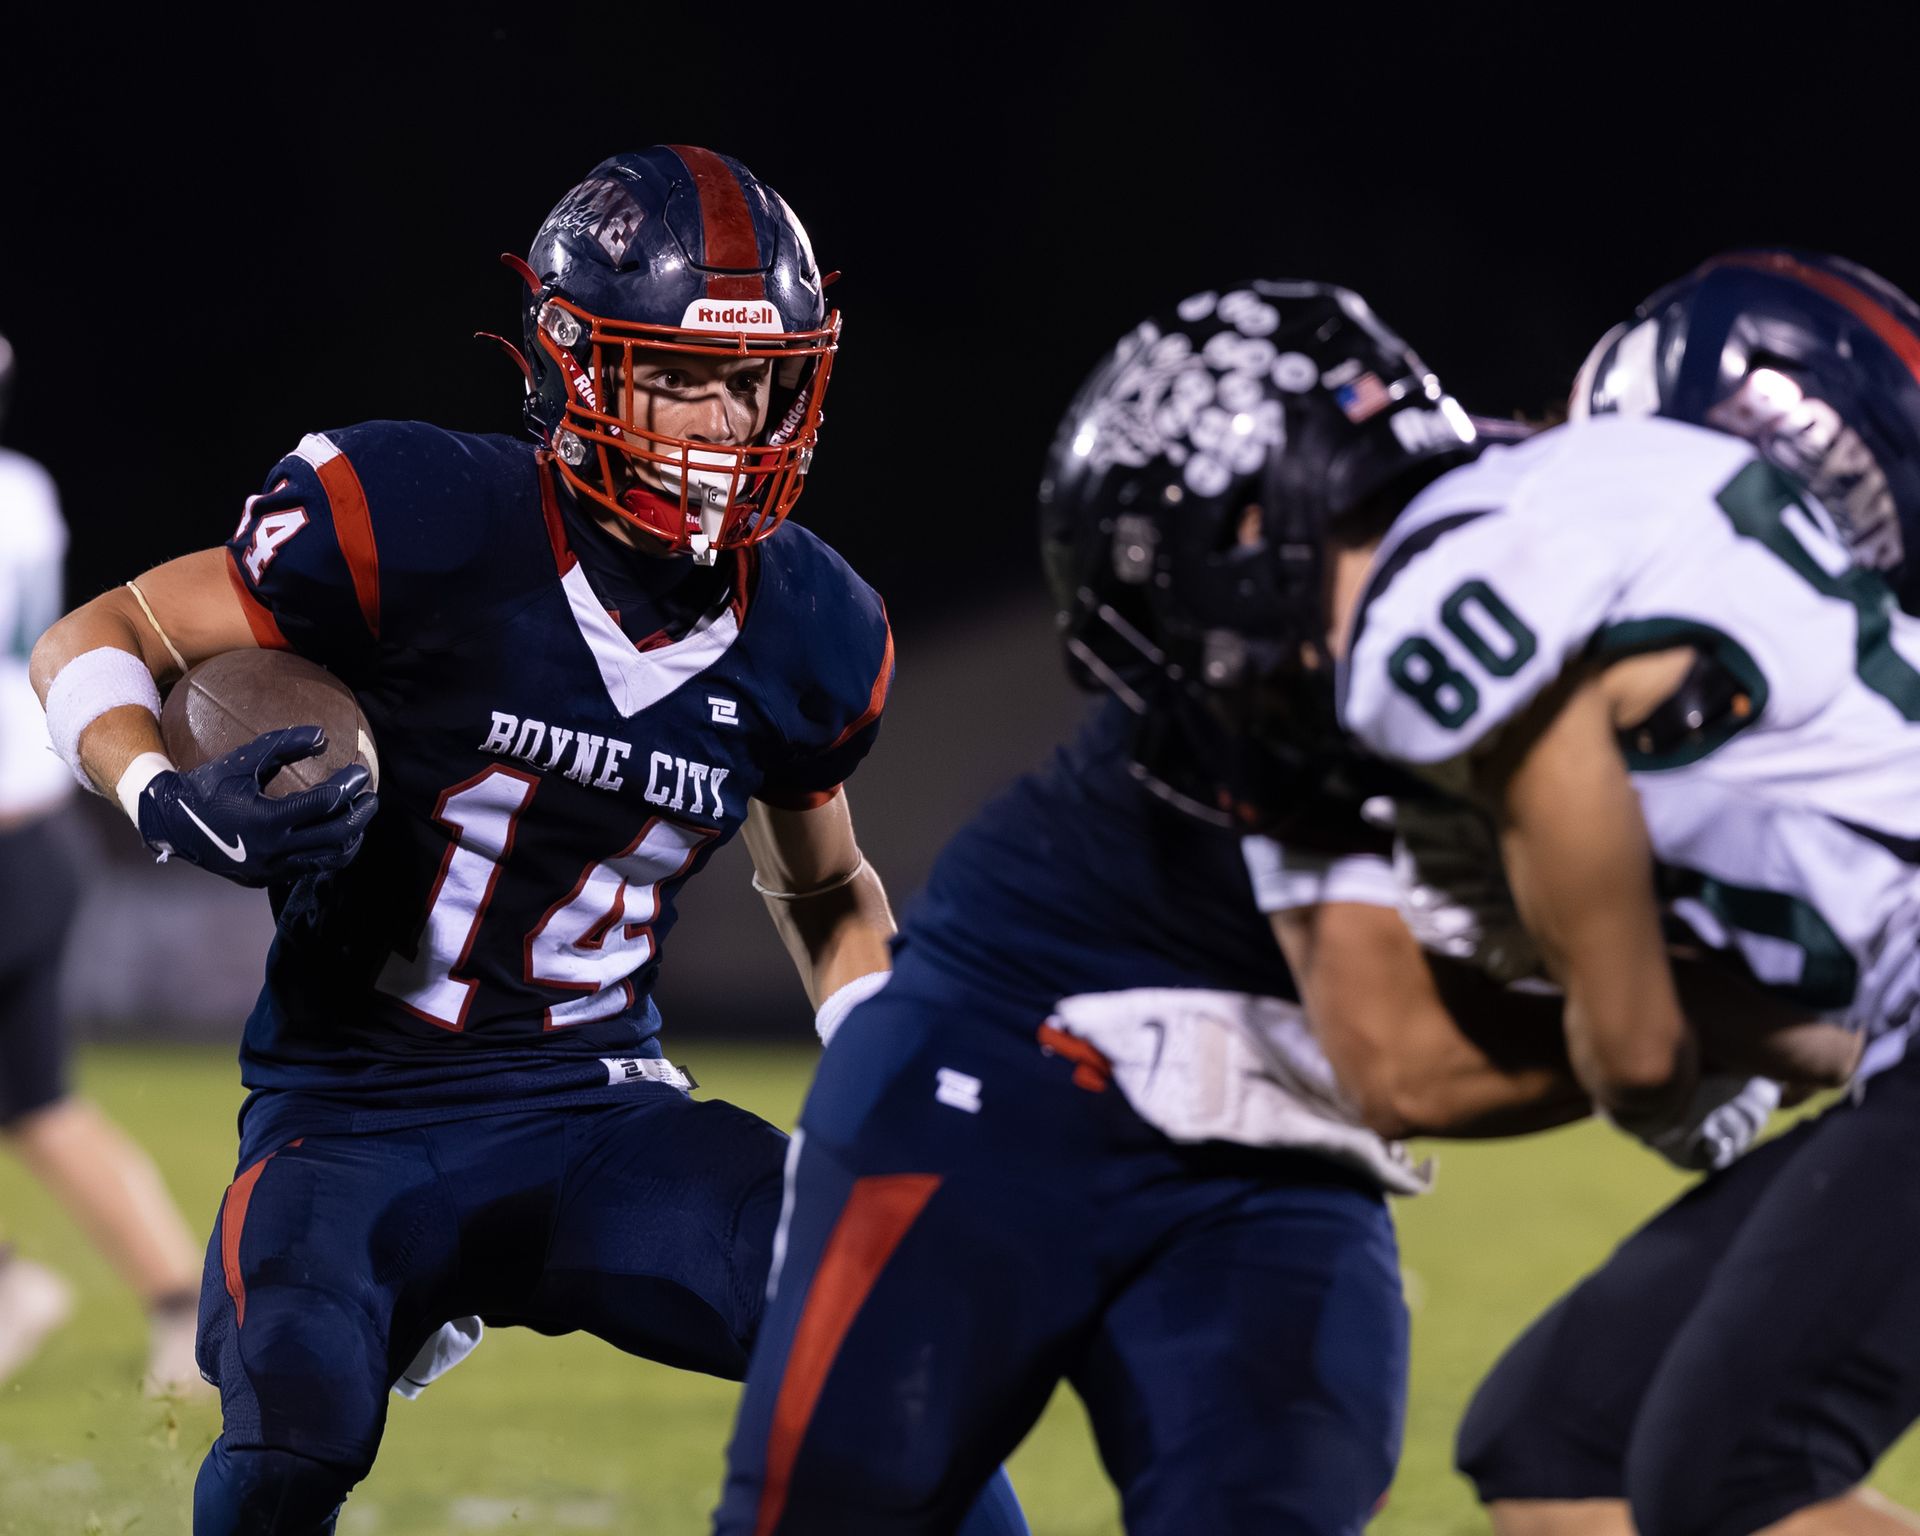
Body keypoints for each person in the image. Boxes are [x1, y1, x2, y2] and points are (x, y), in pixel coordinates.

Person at [28, 146, 1026, 1536]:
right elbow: (105, 635)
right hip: (353, 1114)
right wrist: (154, 791)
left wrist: (877, 1065)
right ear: (575, 365)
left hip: (599, 1109)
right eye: (678, 375)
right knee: (290, 1427)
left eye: (750, 383)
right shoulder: (419, 519)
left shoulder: (813, 624)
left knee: (899, 1337)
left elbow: (828, 884)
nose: (722, 423)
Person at [708, 282, 1669, 1536]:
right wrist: (1682, 1031)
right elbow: (1407, 1061)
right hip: (1000, 1074)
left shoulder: (1542, 556)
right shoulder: (1269, 673)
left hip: (1269, 1131)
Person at [1326, 252, 1920, 1536]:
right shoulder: (1654, 541)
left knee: (1740, 1472)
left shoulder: (1507, 570)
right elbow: (1804, 1042)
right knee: (1556, 1439)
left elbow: (1650, 1069)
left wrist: (1586, 957)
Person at [0, 330, 207, 1396]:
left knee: (40, 1103)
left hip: (8, 845)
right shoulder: (24, 488)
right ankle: (177, 1304)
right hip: (36, 835)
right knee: (39, 1106)